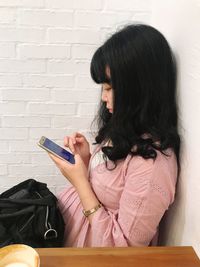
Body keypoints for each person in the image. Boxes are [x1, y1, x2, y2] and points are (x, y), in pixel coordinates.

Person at [48, 24, 180, 247]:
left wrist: (79, 181)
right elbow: (111, 187)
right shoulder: (127, 128)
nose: (103, 97)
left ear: (140, 89)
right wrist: (87, 161)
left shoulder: (152, 166)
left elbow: (124, 251)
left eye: (109, 88)